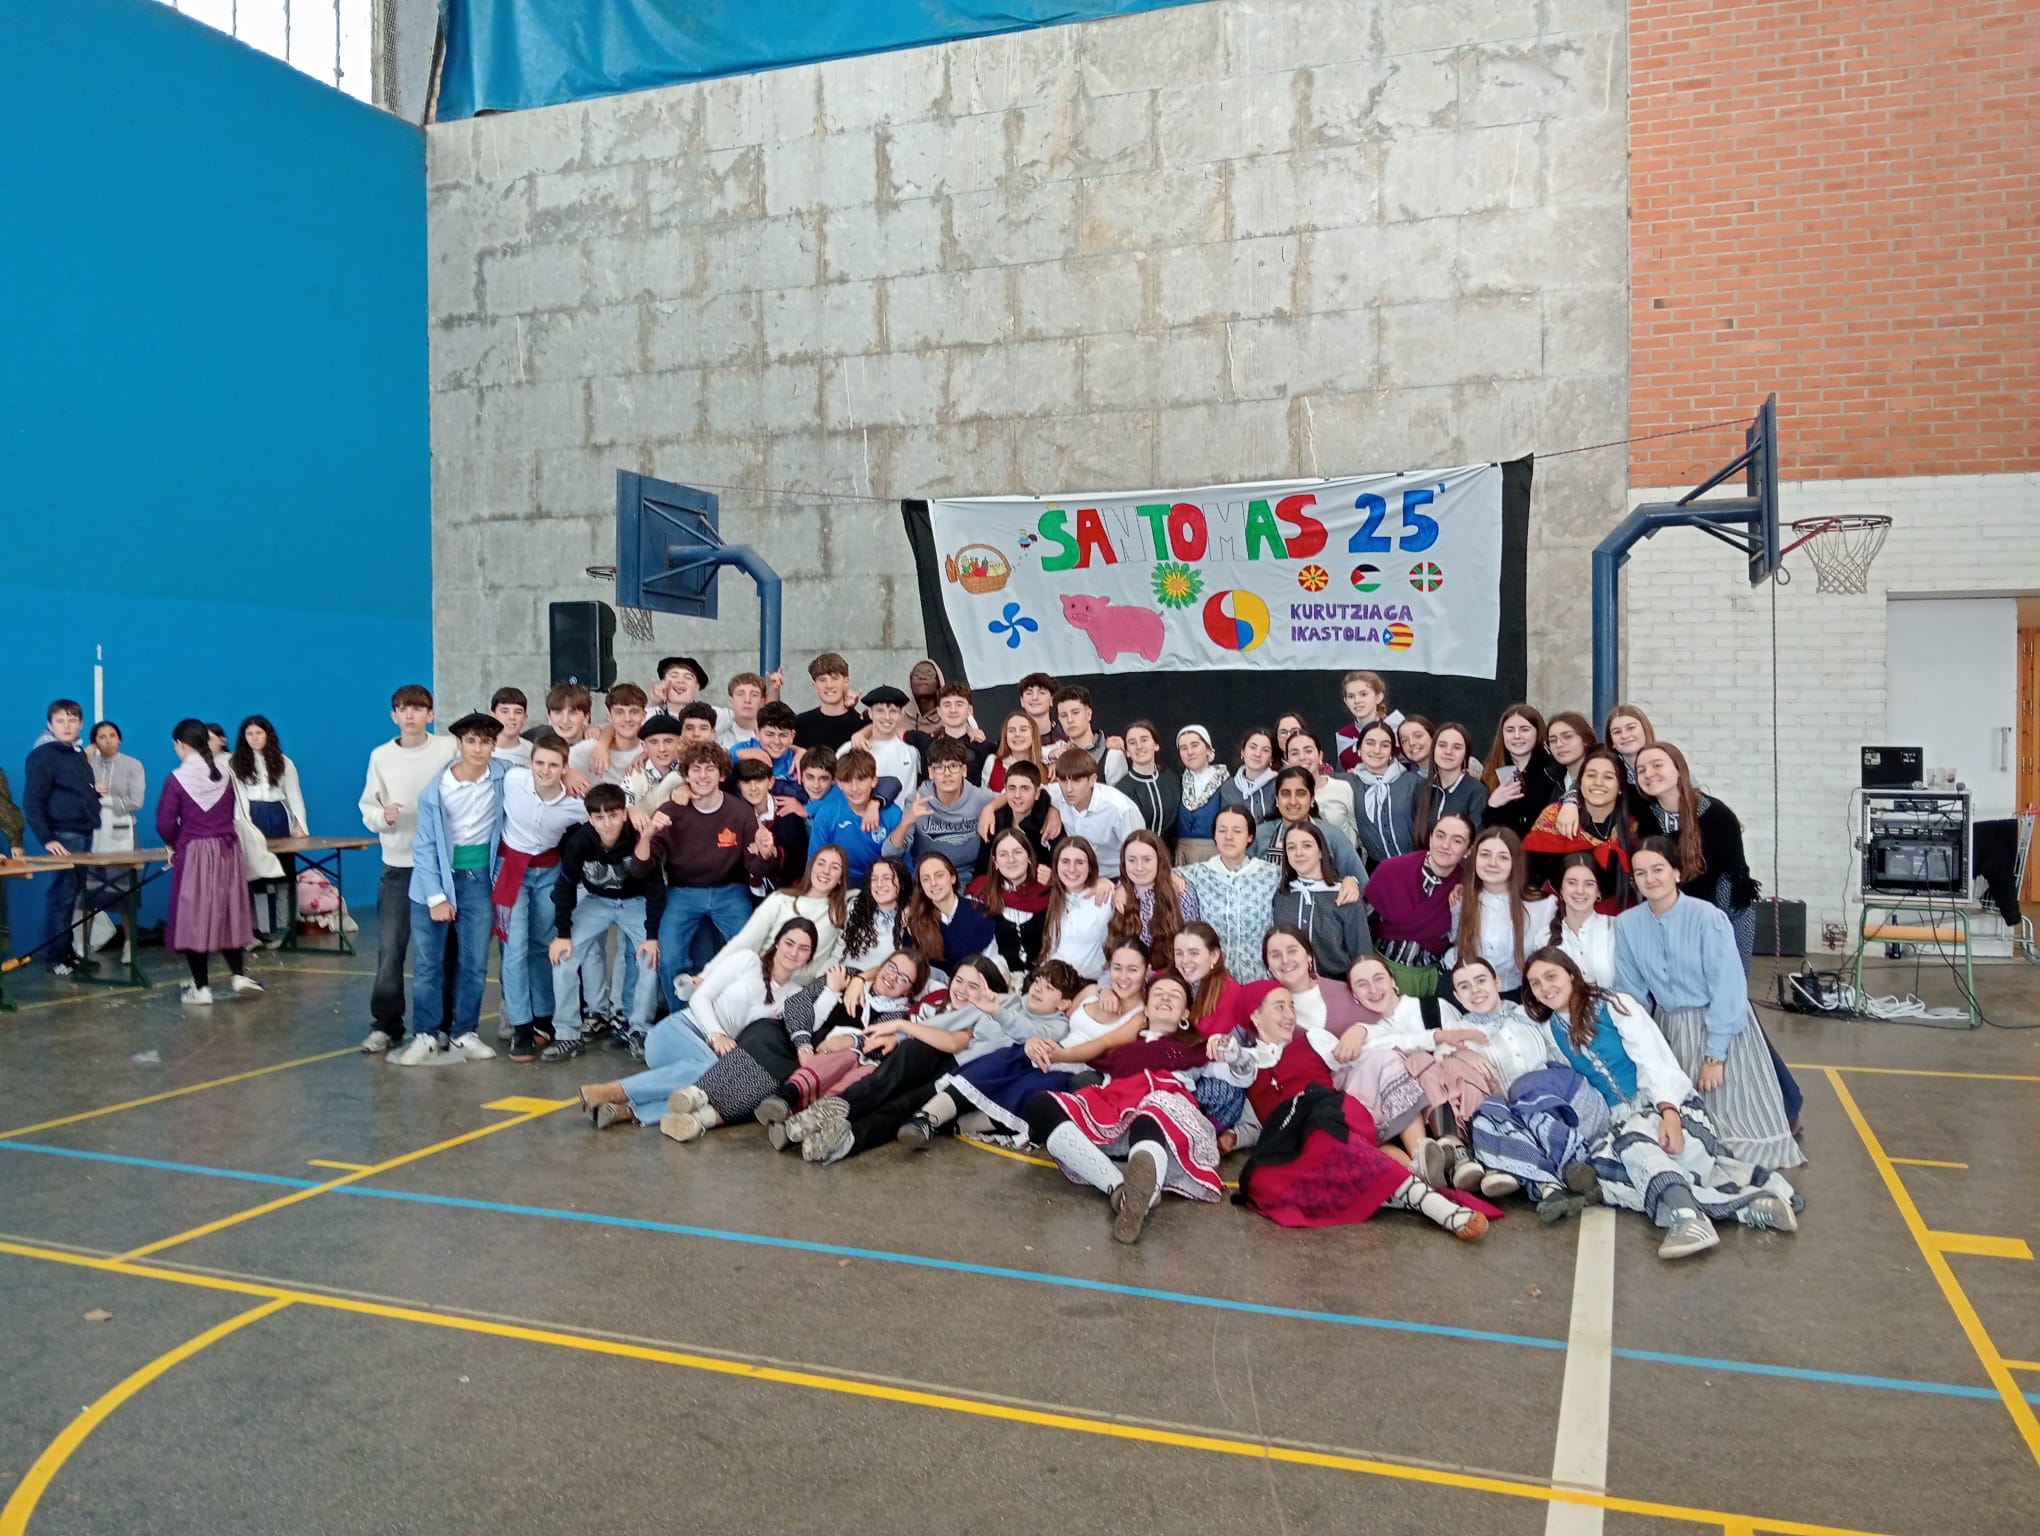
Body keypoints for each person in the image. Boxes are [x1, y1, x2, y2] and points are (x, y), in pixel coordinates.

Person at [1498, 948, 1800, 1259]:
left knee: (1636, 1149)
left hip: (1666, 1107)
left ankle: (1688, 1218)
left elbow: (1655, 1060)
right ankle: (1746, 1207)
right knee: (1603, 1174)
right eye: (1535, 983)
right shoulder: (1548, 1029)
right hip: (1619, 1123)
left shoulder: (1614, 1005)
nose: (1545, 988)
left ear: (1572, 974)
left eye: (1551, 976)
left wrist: (1669, 1113)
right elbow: (1501, 1022)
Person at [1616, 838, 1804, 1168]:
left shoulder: (1708, 918)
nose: (1651, 879)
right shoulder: (1627, 924)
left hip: (1719, 1028)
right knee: (1682, 1133)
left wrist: (1715, 1056)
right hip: (1669, 1029)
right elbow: (1631, 995)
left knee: (1732, 1136)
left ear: (1676, 872)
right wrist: (1642, 1046)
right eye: (1641, 873)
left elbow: (1728, 987)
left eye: (1658, 869)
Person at [1019, 987, 1228, 1244]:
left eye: (1174, 995)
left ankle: (1143, 1184)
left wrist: (1229, 1048)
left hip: (1166, 1122)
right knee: (1038, 1104)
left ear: (1185, 1013)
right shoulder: (1121, 1051)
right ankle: (1121, 1189)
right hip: (1114, 1115)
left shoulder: (1197, 1049)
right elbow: (1065, 1059)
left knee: (1151, 1109)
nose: (1165, 997)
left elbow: (1239, 1074)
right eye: (1158, 994)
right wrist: (1034, 1045)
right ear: (1146, 1011)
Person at [578, 919, 817, 1128]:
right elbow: (700, 997)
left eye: (803, 948)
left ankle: (628, 1111)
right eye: (789, 943)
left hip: (709, 1054)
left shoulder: (794, 996)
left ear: (810, 956)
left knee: (714, 1090)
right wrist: (716, 1035)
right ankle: (612, 1091)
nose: (794, 952)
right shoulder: (748, 960)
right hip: (679, 1031)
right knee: (708, 1070)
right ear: (777, 943)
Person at [925, 941, 1150, 1146]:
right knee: (999, 1062)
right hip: (1045, 1047)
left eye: (1132, 969)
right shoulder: (1093, 991)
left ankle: (952, 1125)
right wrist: (1104, 988)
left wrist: (1057, 1053)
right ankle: (927, 1117)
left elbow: (1102, 1043)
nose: (1122, 977)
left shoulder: (1140, 1016)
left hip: (1071, 1063)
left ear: (1147, 970)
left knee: (1027, 1091)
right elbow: (1058, 1012)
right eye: (1117, 968)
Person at [390, 713, 509, 1065]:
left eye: (485, 742)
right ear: (459, 744)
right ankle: (426, 1035)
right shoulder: (436, 790)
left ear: (494, 745)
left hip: (477, 881)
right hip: (434, 883)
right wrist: (437, 897)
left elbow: (540, 775)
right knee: (428, 964)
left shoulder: (504, 776)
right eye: (471, 741)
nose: (478, 749)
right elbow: (425, 848)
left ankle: (463, 1033)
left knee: (474, 963)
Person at [633, 741, 778, 1006]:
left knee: (751, 952)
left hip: (730, 891)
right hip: (682, 892)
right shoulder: (669, 811)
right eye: (696, 769)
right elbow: (641, 869)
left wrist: (766, 853)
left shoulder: (740, 812)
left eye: (710, 769)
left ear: (722, 775)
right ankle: (682, 1019)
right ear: (686, 775)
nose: (702, 776)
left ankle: (741, 1014)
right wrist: (647, 835)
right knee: (671, 958)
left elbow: (756, 867)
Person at [358, 685, 462, 1052]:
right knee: (390, 947)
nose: (410, 715)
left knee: (444, 951)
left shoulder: (449, 748)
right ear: (394, 716)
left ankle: (443, 1025)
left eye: (418, 709)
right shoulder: (381, 756)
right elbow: (368, 807)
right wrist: (383, 817)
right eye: (402, 709)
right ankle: (386, 1025)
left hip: (442, 866)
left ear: (430, 715)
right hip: (399, 866)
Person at [545, 783, 662, 1061]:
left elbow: (655, 887)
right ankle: (567, 1034)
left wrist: (652, 936)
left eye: (613, 815)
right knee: (563, 957)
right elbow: (564, 886)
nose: (607, 824)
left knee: (650, 958)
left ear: (624, 813)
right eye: (599, 817)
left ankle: (640, 1030)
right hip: (597, 901)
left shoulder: (638, 836)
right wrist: (562, 934)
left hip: (636, 902)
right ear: (589, 818)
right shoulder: (579, 842)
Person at [156, 718, 263, 1005]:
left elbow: (165, 823)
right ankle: (238, 975)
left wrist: (173, 844)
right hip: (228, 851)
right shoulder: (226, 774)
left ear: (180, 744)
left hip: (194, 854)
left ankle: (201, 988)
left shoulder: (177, 778)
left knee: (194, 918)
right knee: (229, 911)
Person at [496, 733, 589, 1060]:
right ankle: (520, 1026)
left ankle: (544, 1019)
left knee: (542, 945)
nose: (545, 770)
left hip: (548, 872)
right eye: (539, 763)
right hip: (511, 869)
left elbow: (606, 813)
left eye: (553, 765)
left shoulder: (576, 804)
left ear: (564, 768)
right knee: (514, 947)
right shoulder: (513, 780)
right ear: (530, 763)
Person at [1634, 742, 1760, 965]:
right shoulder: (1643, 817)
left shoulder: (1717, 817)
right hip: (1663, 930)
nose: (1648, 773)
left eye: (1657, 765)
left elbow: (1734, 893)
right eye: (1641, 770)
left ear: (1678, 769)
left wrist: (1732, 958)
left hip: (1712, 930)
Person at [691, 843, 848, 990]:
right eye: (821, 863)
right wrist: (706, 976)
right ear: (811, 867)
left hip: (794, 996)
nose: (825, 871)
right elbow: (745, 941)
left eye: (834, 867)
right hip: (756, 983)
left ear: (841, 878)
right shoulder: (781, 900)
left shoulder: (842, 910)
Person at [23, 698, 101, 976]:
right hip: (63, 835)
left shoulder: (76, 753)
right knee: (62, 896)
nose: (66, 726)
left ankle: (67, 953)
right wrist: (47, 838)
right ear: (50, 724)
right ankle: (56, 959)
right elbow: (32, 801)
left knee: (73, 896)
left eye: (72, 720)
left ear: (80, 723)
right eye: (60, 721)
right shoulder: (43, 755)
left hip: (83, 831)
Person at [1364, 812, 1474, 997]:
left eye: (1457, 841)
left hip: (1428, 981)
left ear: (1468, 850)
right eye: (1440, 836)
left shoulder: (1466, 890)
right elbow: (1361, 924)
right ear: (1430, 837)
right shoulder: (1391, 870)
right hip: (1378, 973)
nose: (1445, 845)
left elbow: (1461, 943)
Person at [227, 717, 307, 949]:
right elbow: (238, 798)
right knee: (259, 874)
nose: (254, 738)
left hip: (278, 816)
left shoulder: (284, 762)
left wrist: (300, 823)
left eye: (259, 733)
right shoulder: (235, 763)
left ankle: (286, 926)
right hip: (252, 816)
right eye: (249, 734)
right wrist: (242, 825)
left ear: (267, 734)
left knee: (283, 870)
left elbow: (294, 795)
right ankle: (264, 929)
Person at [1447, 825, 1553, 1000]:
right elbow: (1452, 941)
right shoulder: (1461, 900)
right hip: (1465, 993)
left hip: (1516, 994)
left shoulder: (1542, 905)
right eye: (1485, 855)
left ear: (1515, 862)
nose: (1492, 863)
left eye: (1503, 857)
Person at [1179, 805, 1280, 981]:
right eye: (1222, 830)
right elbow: (1157, 874)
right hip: (1215, 979)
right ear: (1214, 836)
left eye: (1237, 831)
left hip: (1260, 977)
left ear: (1250, 836)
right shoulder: (1198, 873)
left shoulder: (1270, 874)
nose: (1229, 837)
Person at [1524, 746, 1636, 901]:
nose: (1598, 783)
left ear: (1620, 787)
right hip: (1561, 909)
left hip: (1621, 910)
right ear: (1579, 783)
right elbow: (1530, 873)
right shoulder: (1554, 817)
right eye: (1591, 775)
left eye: (1608, 777)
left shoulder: (1633, 825)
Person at [1272, 821, 1373, 976]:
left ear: (1320, 851)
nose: (1298, 853)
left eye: (1307, 846)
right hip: (1291, 985)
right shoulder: (1281, 896)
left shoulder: (1344, 896)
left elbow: (1362, 953)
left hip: (1338, 985)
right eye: (1291, 847)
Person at [888, 737, 998, 878]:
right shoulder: (917, 800)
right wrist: (906, 821)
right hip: (928, 876)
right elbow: (889, 853)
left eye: (953, 766)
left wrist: (991, 807)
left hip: (967, 875)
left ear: (964, 770)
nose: (947, 773)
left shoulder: (978, 797)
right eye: (939, 767)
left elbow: (1010, 795)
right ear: (930, 773)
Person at [83, 720, 146, 955]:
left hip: (123, 834)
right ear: (95, 742)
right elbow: (80, 798)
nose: (108, 740)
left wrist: (109, 799)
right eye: (102, 737)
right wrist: (93, 792)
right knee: (89, 893)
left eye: (112, 735)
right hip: (94, 834)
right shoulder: (87, 766)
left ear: (119, 739)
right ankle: (83, 947)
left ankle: (130, 945)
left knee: (125, 892)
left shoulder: (133, 765)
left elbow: (136, 801)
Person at [1038, 750, 1144, 880]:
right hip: (1079, 875)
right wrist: (1053, 809)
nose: (1068, 789)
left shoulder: (1120, 809)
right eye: (1063, 780)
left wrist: (1123, 885)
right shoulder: (1057, 794)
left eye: (1076, 781)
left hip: (1117, 876)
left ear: (1092, 780)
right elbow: (1034, 790)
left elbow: (1140, 854)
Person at [1249, 766, 1367, 882]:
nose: (1293, 801)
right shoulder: (1259, 835)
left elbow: (1362, 883)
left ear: (1312, 799)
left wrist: (1350, 883)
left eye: (1301, 793)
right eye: (1285, 794)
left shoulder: (1333, 836)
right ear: (1277, 800)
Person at [802, 747, 900, 880]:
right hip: (839, 881)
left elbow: (902, 864)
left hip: (880, 882)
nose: (854, 788)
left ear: (874, 781)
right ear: (839, 784)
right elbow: (814, 861)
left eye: (861, 780)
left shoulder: (893, 814)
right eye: (847, 781)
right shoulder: (826, 813)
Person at [898, 850, 996, 976]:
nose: (933, 883)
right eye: (926, 879)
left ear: (953, 877)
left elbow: (993, 959)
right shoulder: (915, 920)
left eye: (939, 875)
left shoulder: (980, 911)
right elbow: (912, 966)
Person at [967, 826, 1049, 975]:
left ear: (1029, 856)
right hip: (999, 976)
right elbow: (980, 946)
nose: (1011, 860)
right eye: (1003, 854)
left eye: (1017, 852)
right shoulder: (981, 892)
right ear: (995, 861)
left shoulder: (1047, 891)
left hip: (1044, 975)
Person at [1480, 703, 1564, 840]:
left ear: (1538, 732)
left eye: (1525, 729)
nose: (1517, 736)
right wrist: (1493, 805)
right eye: (1510, 730)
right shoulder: (1490, 771)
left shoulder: (1553, 771)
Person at [1108, 829, 1199, 953]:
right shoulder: (1117, 896)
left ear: (1159, 860)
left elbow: (1190, 943)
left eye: (1147, 860)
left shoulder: (1180, 893)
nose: (1139, 867)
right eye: (1132, 860)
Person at [1039, 836, 1117, 979]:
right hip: (1053, 979)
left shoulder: (1105, 896)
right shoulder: (1053, 895)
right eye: (1065, 861)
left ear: (1090, 866)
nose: (1071, 869)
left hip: (1090, 981)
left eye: (1079, 862)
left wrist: (1108, 883)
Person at [1346, 720, 1420, 867]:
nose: (1377, 750)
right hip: (1377, 870)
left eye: (1385, 745)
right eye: (1370, 743)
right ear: (1359, 748)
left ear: (1392, 752)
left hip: (1417, 865)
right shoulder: (1348, 783)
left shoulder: (1413, 782)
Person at [1411, 721, 1486, 846]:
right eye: (1442, 745)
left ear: (1465, 754)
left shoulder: (1477, 791)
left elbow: (1476, 841)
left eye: (1457, 747)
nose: (1448, 752)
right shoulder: (1422, 788)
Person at [1547, 851, 1618, 985]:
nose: (1580, 890)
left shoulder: (1616, 929)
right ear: (1561, 889)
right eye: (1572, 883)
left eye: (1589, 884)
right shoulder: (1543, 937)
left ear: (1598, 892)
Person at [1283, 728, 1357, 846]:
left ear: (1320, 755)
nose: (1302, 757)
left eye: (1308, 751)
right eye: (1294, 753)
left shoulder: (1343, 788)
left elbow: (1359, 831)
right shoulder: (1284, 795)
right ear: (1287, 759)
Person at [1111, 720, 1180, 845]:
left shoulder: (1172, 780)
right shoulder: (1121, 791)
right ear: (1127, 752)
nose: (1139, 746)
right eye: (1132, 743)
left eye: (1144, 740)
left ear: (1156, 745)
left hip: (1173, 853)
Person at [570, 683, 647, 790]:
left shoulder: (651, 752)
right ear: (610, 717)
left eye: (634, 712)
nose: (627, 718)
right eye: (619, 712)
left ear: (644, 715)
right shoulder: (591, 748)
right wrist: (567, 774)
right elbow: (553, 764)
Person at [839, 856, 908, 972]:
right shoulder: (855, 907)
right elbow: (839, 949)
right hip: (842, 975)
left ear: (902, 883)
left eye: (887, 878)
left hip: (882, 980)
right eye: (874, 879)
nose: (879, 884)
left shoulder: (908, 918)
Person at [1172, 725, 1228, 866]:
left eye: (1195, 745)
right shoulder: (1176, 783)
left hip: (1216, 855)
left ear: (1208, 749)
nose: (1190, 752)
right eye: (1184, 748)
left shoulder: (1227, 784)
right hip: (1183, 855)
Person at [857, 685, 921, 806]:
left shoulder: (912, 751)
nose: (887, 717)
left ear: (901, 714)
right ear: (870, 713)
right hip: (866, 817)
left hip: (906, 817)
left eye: (893, 711)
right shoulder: (852, 749)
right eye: (880, 711)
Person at [1047, 685, 1126, 783]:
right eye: (1063, 715)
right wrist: (1049, 757)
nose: (1070, 720)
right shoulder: (1057, 752)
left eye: (1075, 712)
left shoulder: (1112, 755)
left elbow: (1119, 793)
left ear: (1089, 714)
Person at [986, 758, 1061, 853]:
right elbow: (985, 860)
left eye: (1025, 788)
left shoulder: (1050, 822)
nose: (1017, 795)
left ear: (1037, 793)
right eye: (1012, 788)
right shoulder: (996, 823)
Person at [794, 652, 863, 752]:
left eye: (835, 678)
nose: (829, 685)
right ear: (814, 686)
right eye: (822, 680)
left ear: (846, 682)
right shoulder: (800, 724)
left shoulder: (862, 725)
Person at [1331, 669, 1397, 772]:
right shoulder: (1344, 736)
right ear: (1346, 701)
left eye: (1363, 694)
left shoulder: (1395, 728)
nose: (1357, 701)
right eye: (1351, 696)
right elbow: (1341, 772)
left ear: (1379, 697)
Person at [1219, 726, 1279, 822]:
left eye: (1265, 750)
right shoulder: (1229, 788)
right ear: (1243, 752)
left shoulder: (1279, 784)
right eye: (1253, 747)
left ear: (1271, 758)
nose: (1257, 754)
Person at [980, 710, 1042, 791]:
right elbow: (983, 796)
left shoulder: (1046, 767)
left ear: (1033, 734)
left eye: (1023, 730)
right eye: (1011, 730)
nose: (1017, 734)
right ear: (1005, 735)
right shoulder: (992, 762)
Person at [1016, 671, 1063, 749]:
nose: (1034, 698)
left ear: (1052, 700)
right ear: (1022, 701)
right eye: (1029, 693)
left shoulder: (1065, 737)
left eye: (1042, 693)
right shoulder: (1013, 739)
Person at [489, 687, 532, 768]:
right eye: (504, 712)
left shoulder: (532, 751)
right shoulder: (480, 750)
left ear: (525, 718)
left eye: (518, 712)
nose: (512, 717)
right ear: (492, 716)